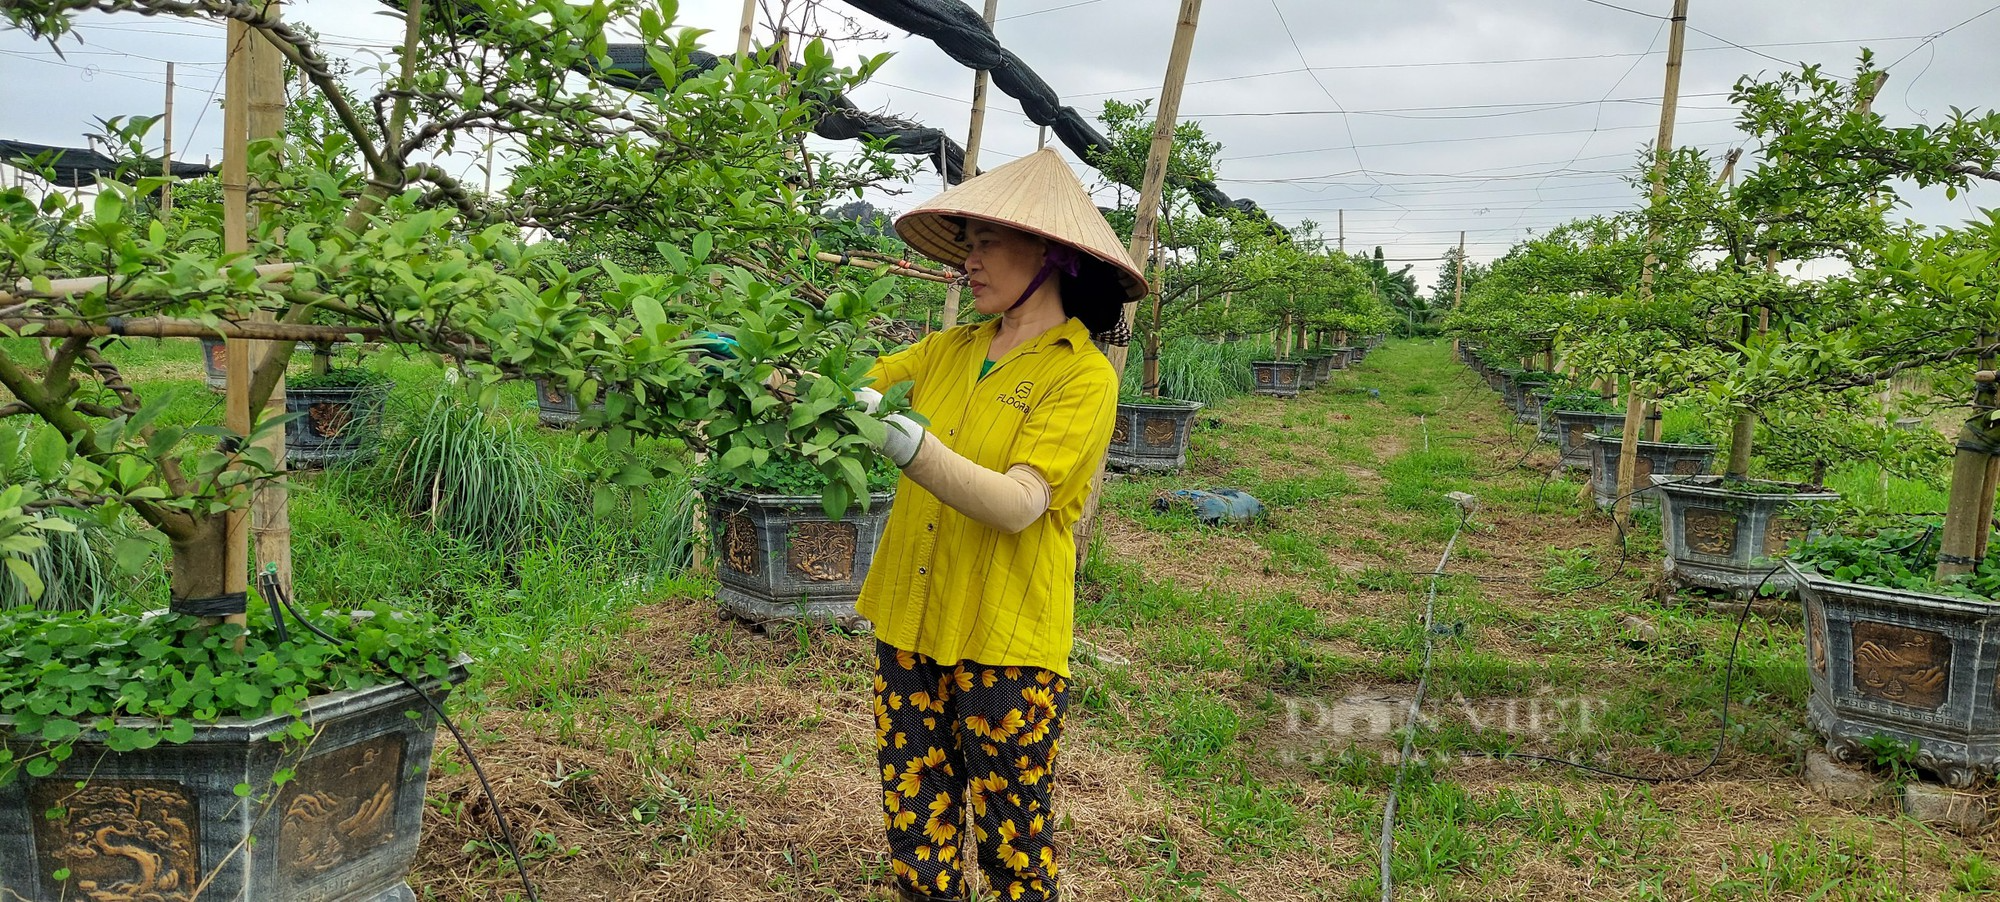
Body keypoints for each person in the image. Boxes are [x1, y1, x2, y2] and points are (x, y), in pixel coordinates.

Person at [850, 148, 1146, 902]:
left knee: (1014, 838)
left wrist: (905, 442)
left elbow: (1020, 503)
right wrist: (765, 373)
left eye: (986, 243)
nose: (969, 262)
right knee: (916, 825)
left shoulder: (1079, 374)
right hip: (910, 620)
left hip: (1005, 641)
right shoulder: (949, 349)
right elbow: (849, 386)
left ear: (1049, 254)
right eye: (968, 243)